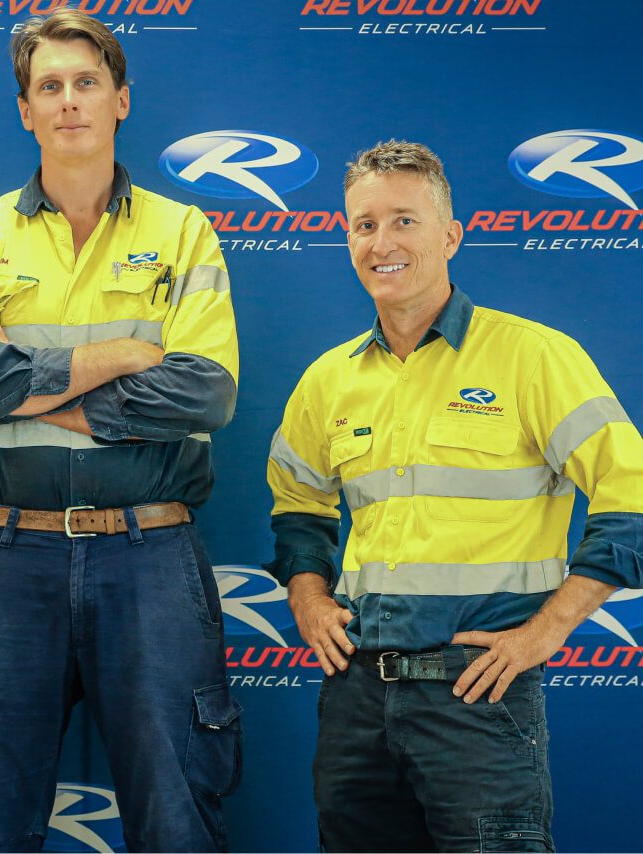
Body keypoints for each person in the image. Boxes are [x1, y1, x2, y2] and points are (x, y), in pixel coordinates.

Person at [0, 9, 241, 852]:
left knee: (178, 816)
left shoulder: (185, 232)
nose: (69, 102)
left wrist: (30, 387)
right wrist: (122, 354)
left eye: (86, 83)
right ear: (25, 109)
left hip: (151, 555)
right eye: (49, 86)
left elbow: (204, 393)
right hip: (7, 556)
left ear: (121, 99)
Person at [265, 139, 643, 852]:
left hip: (478, 695)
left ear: (450, 236)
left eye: (404, 221)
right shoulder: (328, 381)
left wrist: (549, 629)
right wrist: (308, 596)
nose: (383, 242)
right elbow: (298, 504)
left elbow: (633, 494)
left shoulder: (533, 357)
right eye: (364, 224)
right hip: (357, 698)